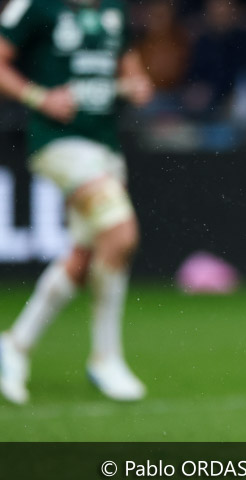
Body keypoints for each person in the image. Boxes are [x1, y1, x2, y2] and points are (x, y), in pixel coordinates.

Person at [0, 0, 153, 404]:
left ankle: (14, 345)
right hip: (57, 141)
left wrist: (137, 83)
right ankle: (106, 358)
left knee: (85, 258)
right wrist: (38, 96)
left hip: (105, 144)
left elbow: (129, 65)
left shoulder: (115, 10)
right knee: (120, 234)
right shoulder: (34, 6)